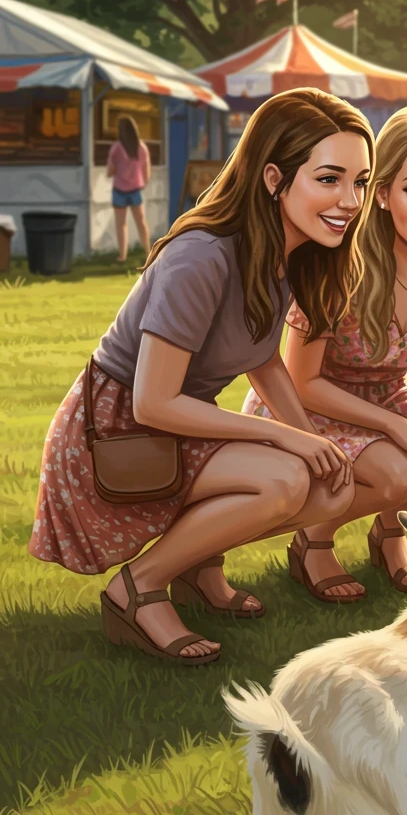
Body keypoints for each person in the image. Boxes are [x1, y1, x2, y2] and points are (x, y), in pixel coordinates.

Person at [28, 88, 374, 664]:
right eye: (330, 179)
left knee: (325, 482)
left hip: (182, 428)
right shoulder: (202, 255)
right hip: (116, 434)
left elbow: (260, 356)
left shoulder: (286, 250)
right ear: (273, 178)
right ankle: (138, 589)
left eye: (360, 183)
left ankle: (196, 567)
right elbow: (153, 401)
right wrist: (289, 437)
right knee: (285, 480)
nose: (350, 200)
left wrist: (314, 438)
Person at [243, 104, 407, 598]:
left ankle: (389, 532)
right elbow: (302, 382)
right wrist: (396, 426)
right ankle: (314, 542)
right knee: (397, 472)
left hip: (388, 395)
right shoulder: (338, 264)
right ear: (382, 193)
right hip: (311, 406)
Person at [106, 116, 152, 263]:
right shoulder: (142, 147)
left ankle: (122, 256)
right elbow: (147, 171)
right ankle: (148, 252)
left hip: (119, 189)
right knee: (141, 223)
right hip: (136, 189)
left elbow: (109, 171)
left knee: (121, 225)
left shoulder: (116, 148)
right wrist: (143, 182)